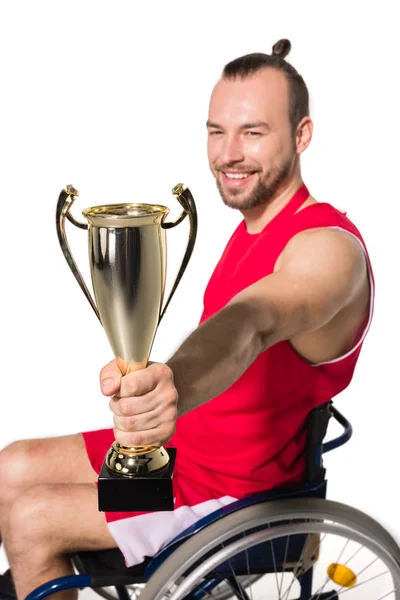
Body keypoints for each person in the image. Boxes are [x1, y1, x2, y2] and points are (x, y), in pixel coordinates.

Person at [0, 38, 373, 599]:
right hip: (180, 455)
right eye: (216, 131)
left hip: (233, 494)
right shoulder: (252, 228)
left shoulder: (328, 249)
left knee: (34, 518)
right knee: (11, 467)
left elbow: (253, 322)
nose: (229, 153)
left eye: (253, 132)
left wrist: (171, 385)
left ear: (302, 136)